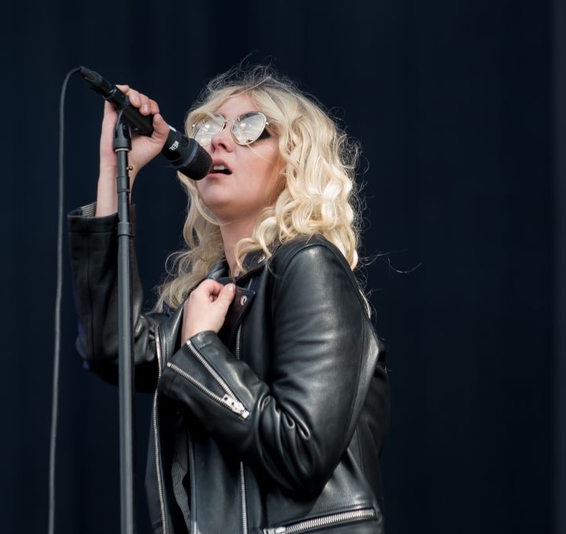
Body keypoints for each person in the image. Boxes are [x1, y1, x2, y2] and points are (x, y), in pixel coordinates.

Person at [68, 65, 390, 533]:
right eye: (208, 127)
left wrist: (201, 348)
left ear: (294, 163)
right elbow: (111, 346)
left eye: (250, 129)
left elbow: (303, 451)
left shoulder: (308, 264)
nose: (218, 140)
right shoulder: (213, 296)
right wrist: (116, 169)